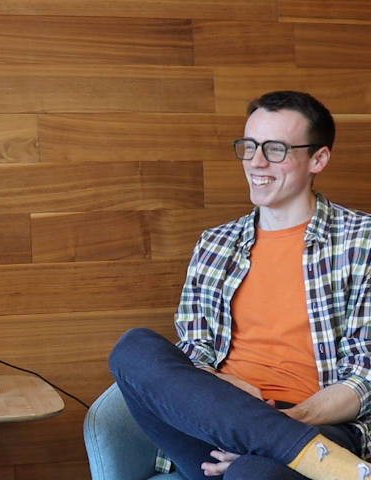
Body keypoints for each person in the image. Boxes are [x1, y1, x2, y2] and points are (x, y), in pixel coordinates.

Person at [109, 91, 371, 480]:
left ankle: (286, 448)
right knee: (133, 349)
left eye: (276, 149)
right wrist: (219, 388)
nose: (256, 162)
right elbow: (193, 350)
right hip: (210, 425)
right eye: (249, 146)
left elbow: (364, 375)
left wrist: (277, 425)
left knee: (254, 472)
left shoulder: (362, 240)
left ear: (319, 158)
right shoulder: (214, 244)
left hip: (315, 423)